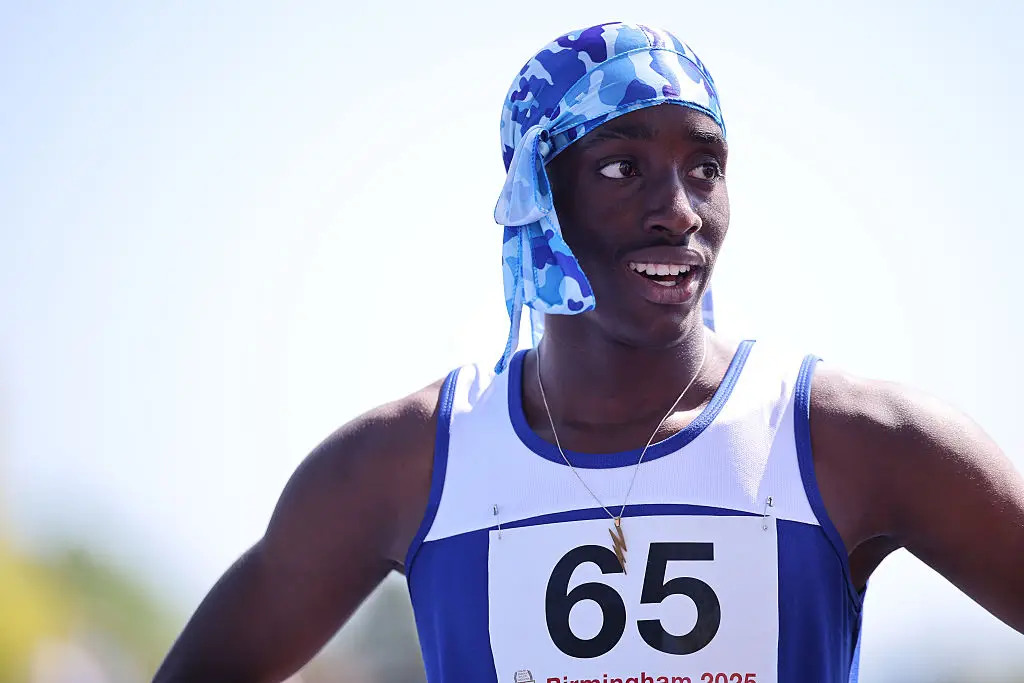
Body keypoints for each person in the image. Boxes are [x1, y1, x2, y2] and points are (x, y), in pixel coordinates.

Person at [152, 22, 1024, 683]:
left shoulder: (850, 442)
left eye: (705, 166)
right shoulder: (404, 464)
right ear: (536, 197)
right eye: (621, 168)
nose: (679, 209)